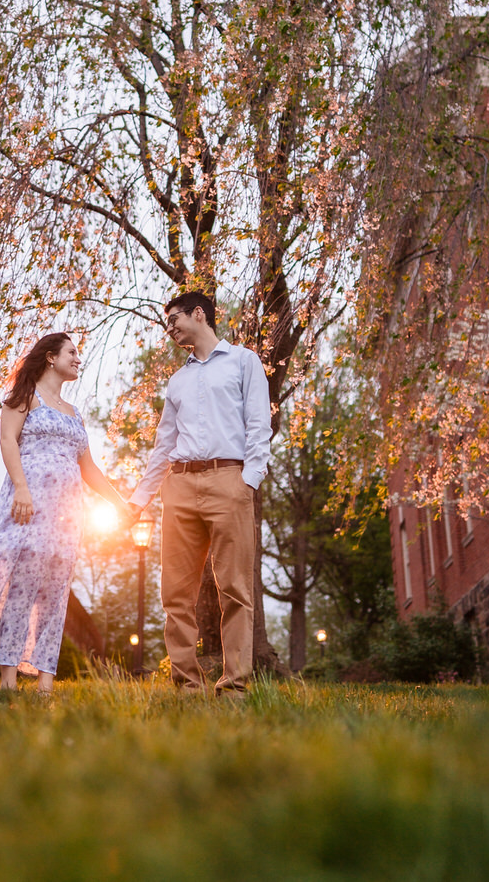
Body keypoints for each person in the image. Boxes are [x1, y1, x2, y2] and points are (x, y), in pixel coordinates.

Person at [0, 332, 129, 692]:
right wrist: (21, 487)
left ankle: (45, 683)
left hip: (67, 517)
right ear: (51, 357)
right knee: (21, 592)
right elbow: (8, 442)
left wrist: (119, 502)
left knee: (55, 594)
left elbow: (90, 468)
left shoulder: (75, 414)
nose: (78, 358)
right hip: (28, 508)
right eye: (72, 352)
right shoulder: (25, 397)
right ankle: (8, 681)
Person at [126, 292, 271, 694]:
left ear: (198, 314)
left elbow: (259, 425)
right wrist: (140, 499)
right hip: (181, 486)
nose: (169, 328)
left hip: (230, 480)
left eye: (173, 319)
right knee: (175, 593)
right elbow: (163, 444)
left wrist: (249, 481)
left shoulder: (244, 361)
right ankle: (187, 685)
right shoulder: (178, 380)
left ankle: (235, 686)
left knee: (235, 590)